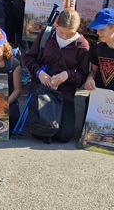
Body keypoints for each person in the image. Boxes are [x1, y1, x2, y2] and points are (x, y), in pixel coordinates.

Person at [21, 9, 90, 143]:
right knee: (39, 132)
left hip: (64, 93)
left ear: (78, 29)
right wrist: (39, 73)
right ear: (56, 24)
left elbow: (83, 75)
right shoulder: (46, 35)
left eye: (70, 34)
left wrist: (68, 74)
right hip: (42, 89)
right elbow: (29, 58)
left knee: (64, 135)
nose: (64, 36)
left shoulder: (83, 46)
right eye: (61, 32)